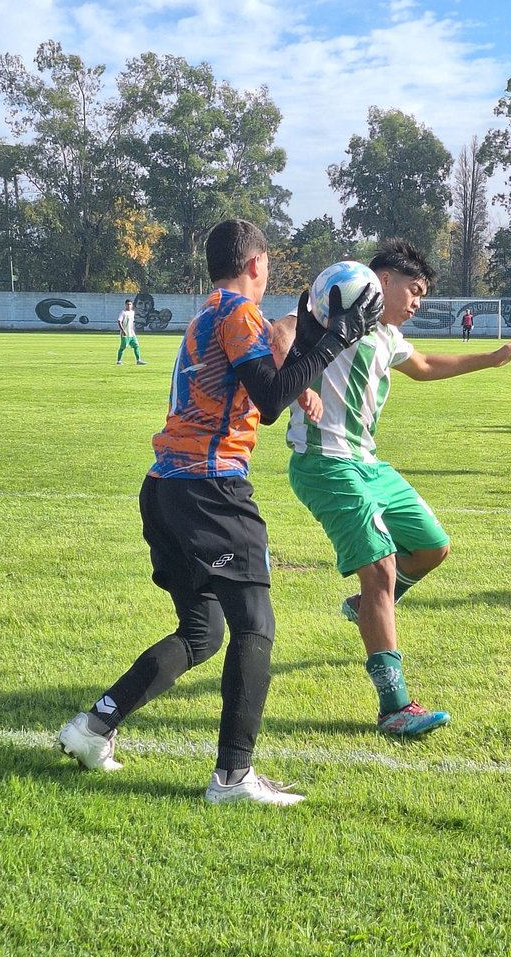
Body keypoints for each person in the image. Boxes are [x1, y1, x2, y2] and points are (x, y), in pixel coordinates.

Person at [59, 219, 382, 805]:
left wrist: (312, 336)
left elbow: (269, 387)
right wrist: (336, 338)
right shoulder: (238, 313)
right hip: (209, 490)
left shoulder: (210, 310)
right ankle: (232, 778)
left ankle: (93, 727)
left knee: (202, 634)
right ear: (257, 263)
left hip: (167, 488)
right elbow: (271, 395)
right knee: (255, 625)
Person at [278, 240, 511, 739]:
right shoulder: (331, 312)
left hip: (368, 463)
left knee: (433, 547)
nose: (416, 302)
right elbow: (281, 332)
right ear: (381, 280)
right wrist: (295, 380)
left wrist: (495, 357)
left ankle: (365, 608)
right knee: (381, 568)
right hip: (324, 465)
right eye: (413, 290)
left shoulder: (389, 335)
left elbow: (426, 367)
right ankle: (394, 706)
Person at [117, 300, 147, 365]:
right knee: (123, 347)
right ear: (125, 305)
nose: (129, 306)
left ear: (132, 305)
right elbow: (119, 321)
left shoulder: (132, 312)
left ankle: (138, 360)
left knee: (136, 346)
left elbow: (132, 322)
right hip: (125, 334)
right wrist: (123, 330)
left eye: (130, 304)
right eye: (127, 304)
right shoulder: (123, 312)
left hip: (132, 334)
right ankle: (119, 361)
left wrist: (133, 330)